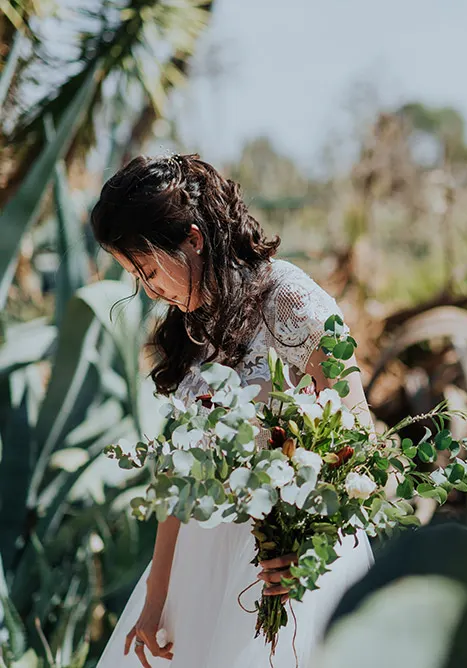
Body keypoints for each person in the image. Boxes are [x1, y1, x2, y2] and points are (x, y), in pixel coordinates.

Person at [90, 154, 374, 668]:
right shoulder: (194, 325)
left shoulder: (292, 300)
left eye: (150, 270)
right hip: (200, 569)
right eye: (137, 277)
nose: (151, 290)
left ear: (194, 239)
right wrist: (156, 602)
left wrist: (306, 546)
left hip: (286, 561)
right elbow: (181, 476)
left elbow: (358, 431)